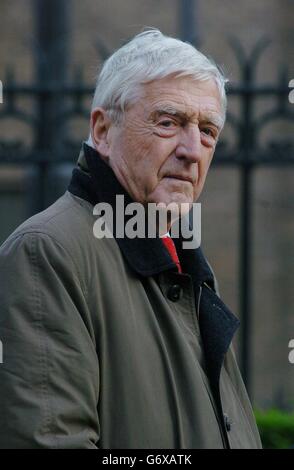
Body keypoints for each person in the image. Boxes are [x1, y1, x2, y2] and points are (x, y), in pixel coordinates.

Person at [0, 29, 262, 449]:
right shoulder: (46, 252)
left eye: (208, 130)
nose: (193, 150)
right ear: (102, 130)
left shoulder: (181, 257)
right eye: (168, 122)